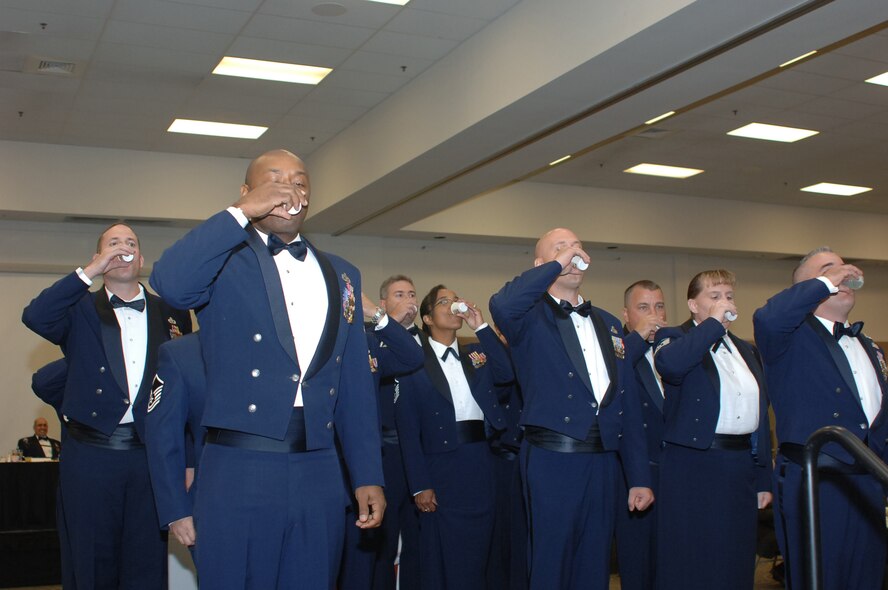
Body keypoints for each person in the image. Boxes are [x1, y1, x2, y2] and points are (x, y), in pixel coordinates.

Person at [150, 149, 385, 589]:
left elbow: (353, 383)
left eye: (299, 181)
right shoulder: (222, 260)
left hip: (318, 466)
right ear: (247, 192)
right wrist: (238, 214)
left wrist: (367, 473)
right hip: (240, 465)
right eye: (274, 180)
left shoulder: (343, 274)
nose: (288, 189)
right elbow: (170, 284)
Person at [21, 222, 192, 589]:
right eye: (113, 243)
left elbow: (185, 391)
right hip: (91, 456)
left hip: (149, 457)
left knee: (146, 565)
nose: (123, 248)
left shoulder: (170, 311)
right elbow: (35, 317)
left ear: (141, 259)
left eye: (130, 243)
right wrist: (90, 272)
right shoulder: (78, 308)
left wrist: (188, 460)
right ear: (99, 256)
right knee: (91, 562)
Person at [489, 228, 653, 590]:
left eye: (577, 246)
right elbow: (501, 304)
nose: (573, 252)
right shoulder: (527, 316)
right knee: (552, 563)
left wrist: (638, 474)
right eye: (560, 248)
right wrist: (557, 264)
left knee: (594, 563)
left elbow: (625, 403)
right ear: (540, 265)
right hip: (553, 457)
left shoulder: (609, 324)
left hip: (603, 460)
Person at [753, 247, 888, 590]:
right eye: (828, 270)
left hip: (869, 481)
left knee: (867, 577)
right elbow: (767, 318)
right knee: (821, 578)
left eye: (843, 268)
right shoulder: (786, 336)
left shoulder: (868, 345)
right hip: (817, 479)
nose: (843, 274)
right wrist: (828, 281)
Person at [653, 270, 772, 590]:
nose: (725, 302)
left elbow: (760, 416)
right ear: (693, 305)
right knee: (692, 553)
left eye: (729, 296)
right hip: (693, 463)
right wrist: (712, 325)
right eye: (715, 296)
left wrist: (764, 476)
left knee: (735, 552)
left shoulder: (746, 350)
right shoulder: (674, 337)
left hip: (739, 463)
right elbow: (671, 367)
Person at [395, 285, 513, 590]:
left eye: (455, 300)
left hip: (479, 461)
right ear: (427, 318)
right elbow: (408, 430)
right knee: (443, 549)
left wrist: (481, 327)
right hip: (440, 467)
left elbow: (506, 372)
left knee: (481, 546)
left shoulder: (475, 355)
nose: (453, 305)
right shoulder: (413, 362)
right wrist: (420, 484)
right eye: (443, 302)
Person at [338, 292, 424, 590]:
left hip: (363, 464)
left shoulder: (367, 340)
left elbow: (413, 356)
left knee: (363, 557)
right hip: (326, 462)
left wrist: (377, 314)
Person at [615, 279, 667, 590]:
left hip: (674, 471)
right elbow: (612, 373)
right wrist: (637, 338)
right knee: (639, 564)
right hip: (636, 472)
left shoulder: (674, 349)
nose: (654, 315)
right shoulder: (619, 350)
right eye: (644, 307)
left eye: (659, 307)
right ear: (626, 314)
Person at [144, 332, 206, 555]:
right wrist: (176, 510)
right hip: (213, 505)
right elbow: (163, 437)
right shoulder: (185, 352)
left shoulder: (292, 345)